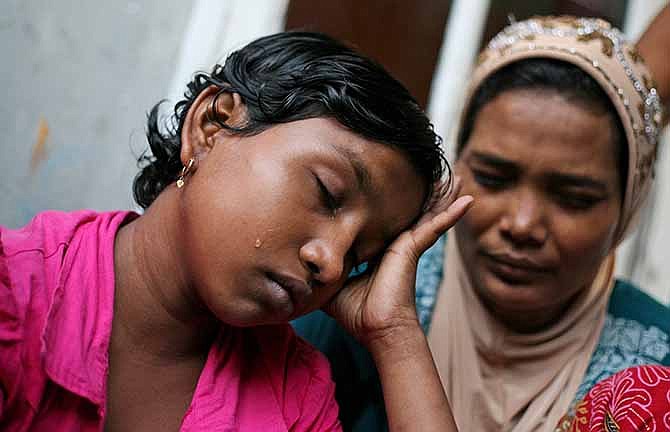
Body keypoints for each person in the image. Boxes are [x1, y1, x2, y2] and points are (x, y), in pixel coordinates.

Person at [0, 32, 471, 431]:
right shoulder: (15, 296)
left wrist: (395, 332)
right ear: (212, 125)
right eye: (327, 192)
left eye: (359, 256)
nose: (330, 263)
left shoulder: (296, 398)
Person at [294, 13, 670, 432]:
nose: (522, 224)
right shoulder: (359, 298)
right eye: (493, 178)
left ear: (628, 209)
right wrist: (393, 334)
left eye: (573, 199)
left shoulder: (656, 368)